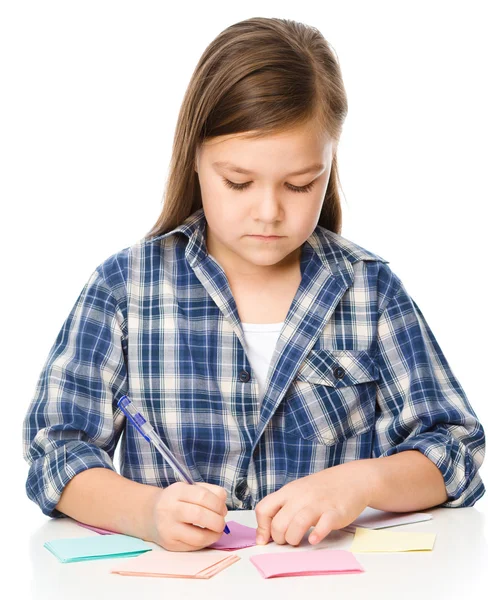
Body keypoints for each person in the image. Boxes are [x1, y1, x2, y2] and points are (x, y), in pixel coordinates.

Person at [23, 16, 485, 553]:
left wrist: (360, 483)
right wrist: (147, 512)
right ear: (194, 157)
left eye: (299, 184)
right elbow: (54, 454)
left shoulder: (368, 291)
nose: (269, 212)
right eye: (238, 182)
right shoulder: (125, 289)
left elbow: (456, 447)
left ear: (331, 164)